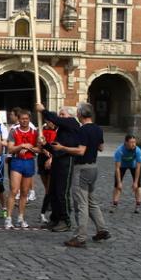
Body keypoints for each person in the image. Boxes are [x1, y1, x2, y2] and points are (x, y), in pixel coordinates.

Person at [50, 103, 109, 248]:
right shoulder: (98, 128)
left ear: (81, 114)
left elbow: (81, 151)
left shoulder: (83, 130)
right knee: (91, 201)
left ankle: (80, 237)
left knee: (81, 204)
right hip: (93, 168)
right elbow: (101, 147)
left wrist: (62, 147)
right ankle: (101, 229)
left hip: (82, 169)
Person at [36, 103, 79, 232]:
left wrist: (43, 110)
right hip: (57, 160)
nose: (60, 117)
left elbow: (55, 119)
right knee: (53, 192)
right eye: (60, 114)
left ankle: (65, 221)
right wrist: (45, 145)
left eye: (62, 114)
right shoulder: (61, 130)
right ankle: (55, 219)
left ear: (70, 116)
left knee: (62, 193)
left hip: (66, 161)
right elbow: (55, 149)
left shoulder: (72, 122)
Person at [5, 110, 41, 229]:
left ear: (29, 119)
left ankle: (20, 217)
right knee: (14, 190)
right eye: (22, 119)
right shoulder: (14, 131)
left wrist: (30, 148)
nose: (24, 121)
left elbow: (39, 149)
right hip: (17, 162)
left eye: (26, 119)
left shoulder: (35, 132)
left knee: (25, 192)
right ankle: (8, 218)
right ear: (18, 119)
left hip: (29, 162)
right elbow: (10, 149)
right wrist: (21, 146)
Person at [112, 134, 141, 214]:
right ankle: (114, 204)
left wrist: (135, 182)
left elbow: (138, 167)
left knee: (138, 185)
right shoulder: (119, 151)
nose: (133, 144)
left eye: (134, 142)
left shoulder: (138, 150)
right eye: (131, 142)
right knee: (117, 185)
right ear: (126, 142)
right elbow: (117, 168)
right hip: (122, 166)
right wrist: (119, 182)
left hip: (134, 166)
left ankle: (138, 205)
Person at [37, 120, 57, 224]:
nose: (51, 123)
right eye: (49, 122)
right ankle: (48, 204)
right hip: (42, 159)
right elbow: (38, 144)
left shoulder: (58, 131)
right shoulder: (41, 130)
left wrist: (51, 158)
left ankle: (43, 212)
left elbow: (57, 147)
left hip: (53, 159)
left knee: (49, 189)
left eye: (52, 122)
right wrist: (44, 150)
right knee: (47, 189)